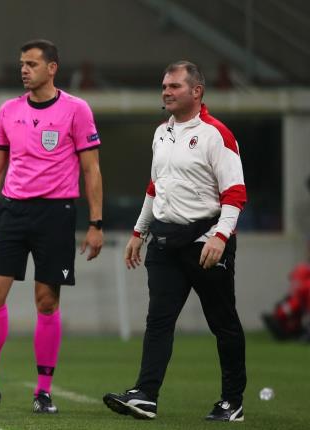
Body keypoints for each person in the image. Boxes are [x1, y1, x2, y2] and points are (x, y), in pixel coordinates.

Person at [0, 39, 104, 414]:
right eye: (22, 64)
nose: (24, 70)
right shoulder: (8, 111)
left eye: (32, 64)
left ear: (52, 68)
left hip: (57, 214)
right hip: (13, 212)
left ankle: (43, 391)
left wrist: (96, 223)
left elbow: (91, 169)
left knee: (46, 300)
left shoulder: (76, 109)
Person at [103, 61, 248, 422]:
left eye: (174, 86)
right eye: (164, 86)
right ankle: (146, 395)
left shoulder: (217, 134)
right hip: (165, 243)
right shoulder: (161, 132)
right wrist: (139, 232)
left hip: (205, 243)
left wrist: (220, 237)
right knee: (159, 320)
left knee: (223, 323)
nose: (166, 91)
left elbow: (235, 193)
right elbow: (156, 187)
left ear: (197, 91)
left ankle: (232, 401)